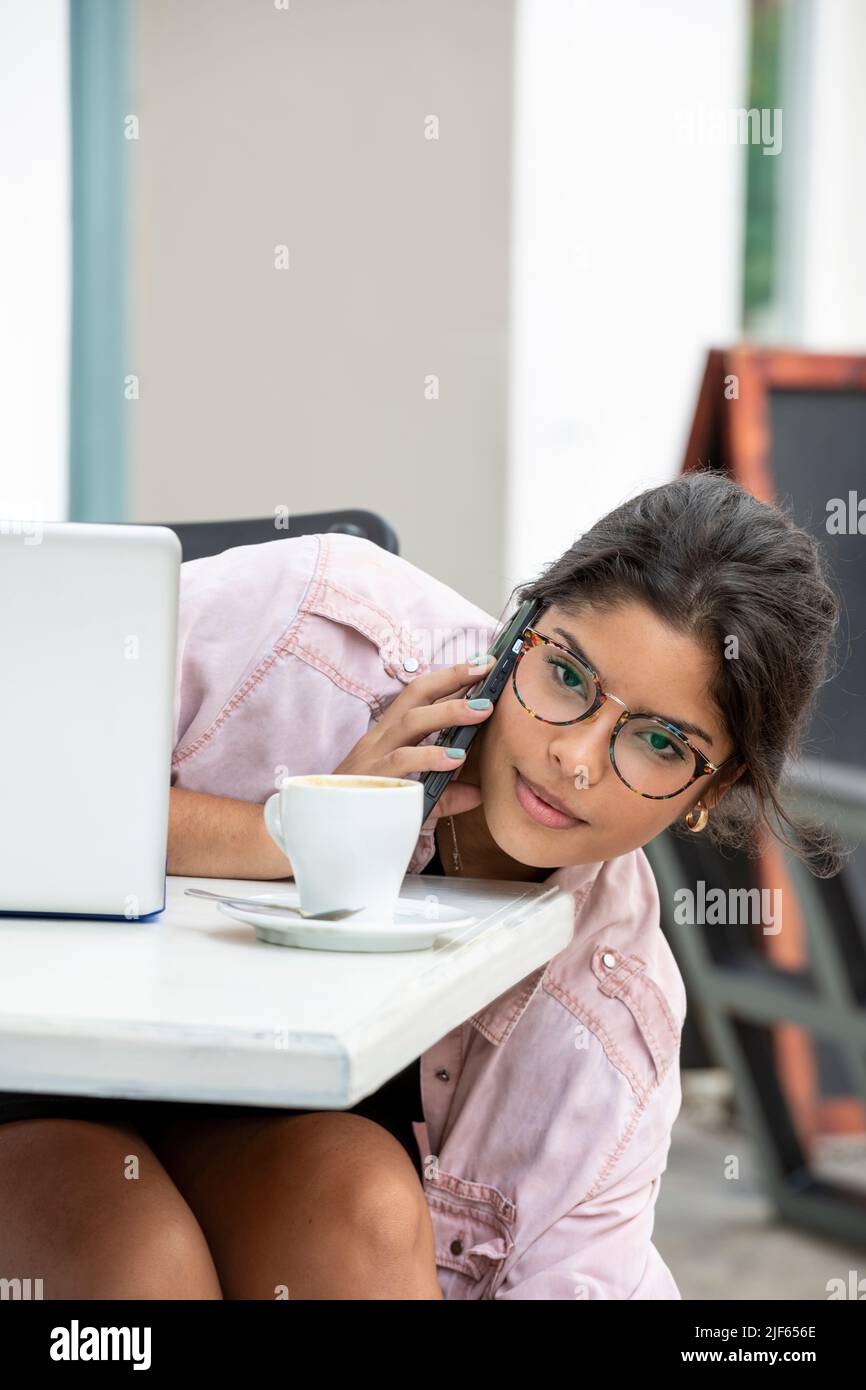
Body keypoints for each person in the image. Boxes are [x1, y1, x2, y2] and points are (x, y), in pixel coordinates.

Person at [0, 470, 843, 1299]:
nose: (576, 760)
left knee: (360, 1212)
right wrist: (292, 834)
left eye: (659, 744)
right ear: (520, 626)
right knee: (133, 1256)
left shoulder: (613, 1013)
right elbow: (22, 782)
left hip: (258, 1139)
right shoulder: (315, 626)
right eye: (568, 677)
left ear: (710, 795)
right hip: (31, 1064)